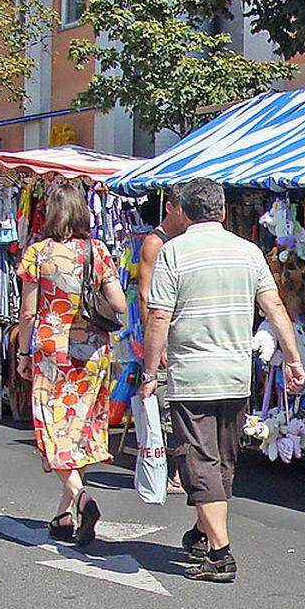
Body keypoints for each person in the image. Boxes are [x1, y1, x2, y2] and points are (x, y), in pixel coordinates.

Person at [138, 178, 305, 583]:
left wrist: (149, 372)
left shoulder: (173, 253)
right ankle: (203, 531)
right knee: (224, 459)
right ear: (223, 212)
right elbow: (274, 306)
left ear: (185, 212)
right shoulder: (248, 252)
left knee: (200, 459)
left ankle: (220, 552)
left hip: (192, 374)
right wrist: (293, 356)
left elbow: (159, 315)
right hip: (234, 374)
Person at [15, 182, 128, 547]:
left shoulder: (38, 253)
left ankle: (80, 498)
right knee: (76, 428)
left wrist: (21, 353)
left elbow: (29, 312)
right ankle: (64, 514)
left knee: (52, 430)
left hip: (52, 351)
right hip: (92, 350)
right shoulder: (97, 251)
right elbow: (120, 305)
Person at [137, 192, 191, 495]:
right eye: (181, 209)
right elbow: (146, 296)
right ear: (170, 207)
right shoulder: (156, 243)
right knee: (167, 404)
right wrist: (156, 343)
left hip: (181, 332)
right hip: (165, 333)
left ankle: (181, 471)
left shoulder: (184, 240)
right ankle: (174, 473)